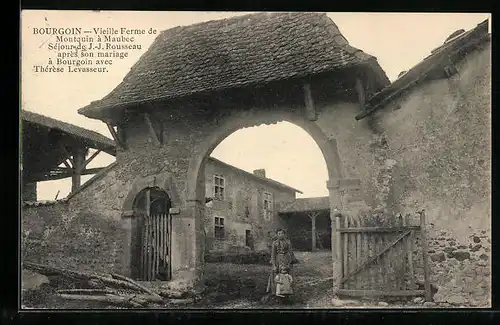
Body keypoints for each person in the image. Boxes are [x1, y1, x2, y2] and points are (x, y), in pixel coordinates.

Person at [266, 228, 298, 296]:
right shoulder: (275, 243)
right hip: (278, 260)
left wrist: (291, 261)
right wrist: (274, 265)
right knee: (277, 274)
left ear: (284, 234)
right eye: (279, 234)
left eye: (282, 233)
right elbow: (273, 255)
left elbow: (290, 252)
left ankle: (288, 291)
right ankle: (276, 292)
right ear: (277, 235)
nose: (280, 235)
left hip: (286, 259)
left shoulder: (288, 242)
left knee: (288, 274)